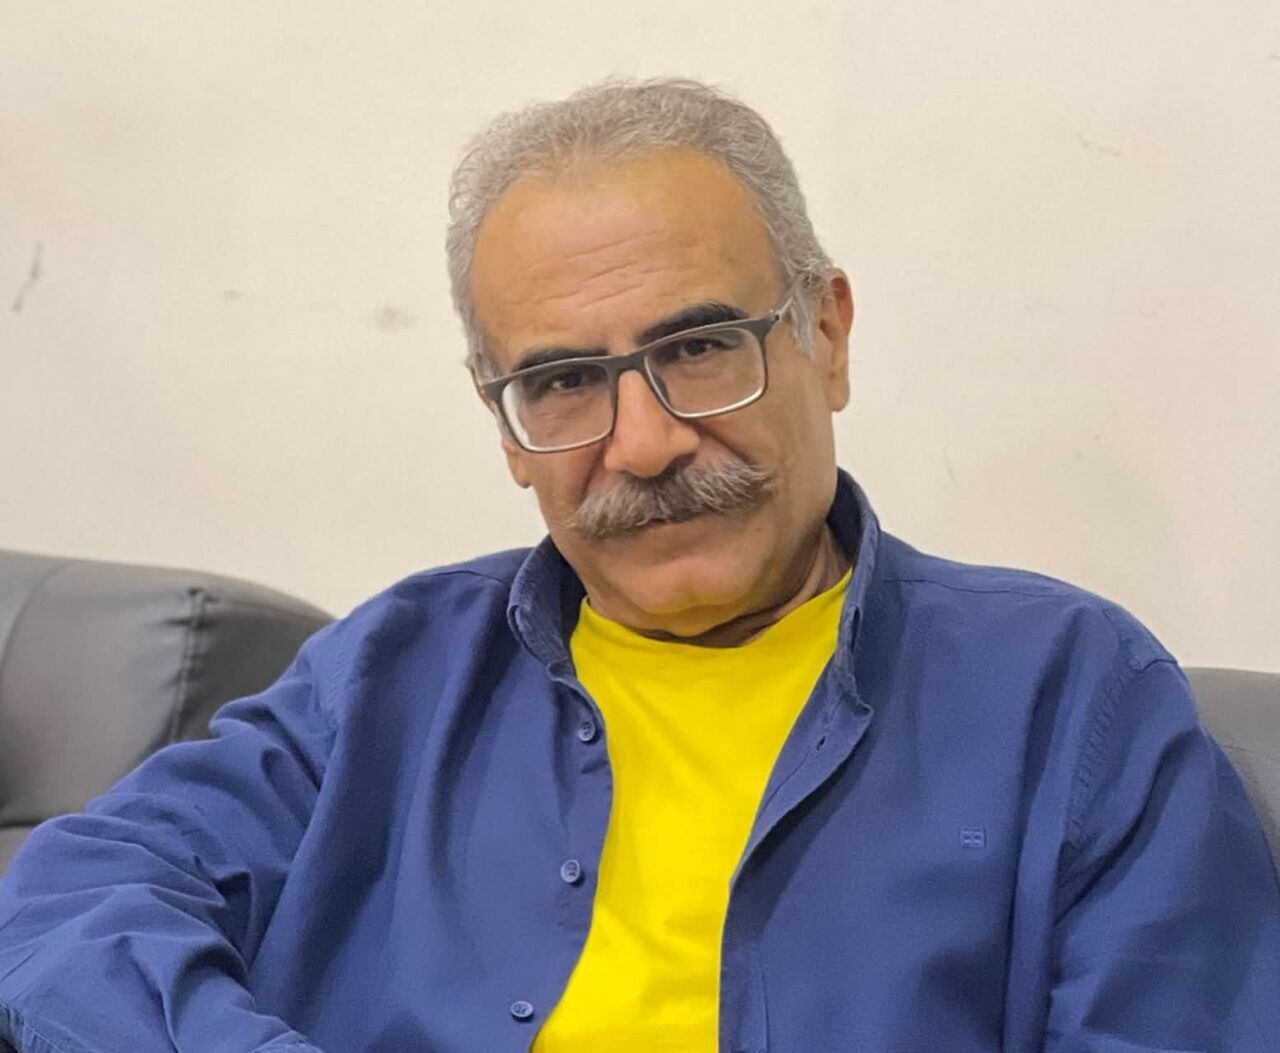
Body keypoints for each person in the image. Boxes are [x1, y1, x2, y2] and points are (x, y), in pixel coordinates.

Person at [0, 77, 1277, 1053]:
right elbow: (69, 898)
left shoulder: (1067, 696)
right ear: (503, 425)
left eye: (701, 348)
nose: (646, 443)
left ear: (826, 334)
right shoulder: (390, 671)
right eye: (562, 382)